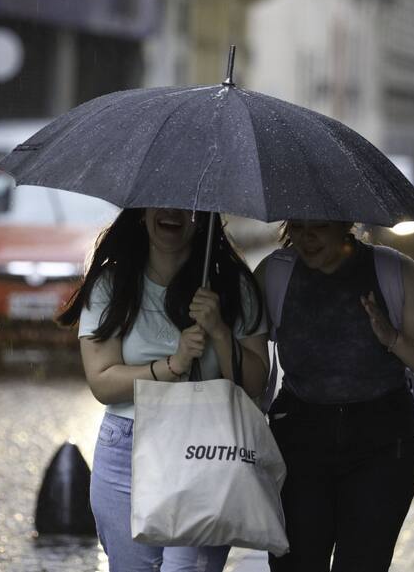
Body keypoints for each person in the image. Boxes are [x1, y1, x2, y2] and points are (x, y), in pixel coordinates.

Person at [57, 207, 269, 572]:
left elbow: (255, 382)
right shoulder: (114, 284)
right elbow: (103, 381)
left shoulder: (234, 286)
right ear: (142, 212)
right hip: (128, 447)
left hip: (207, 449)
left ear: (201, 217)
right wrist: (172, 366)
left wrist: (219, 332)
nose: (172, 211)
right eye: (162, 200)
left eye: (185, 204)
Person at [256, 221, 414, 572]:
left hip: (381, 446)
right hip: (300, 443)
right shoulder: (275, 274)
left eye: (317, 225)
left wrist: (394, 339)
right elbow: (245, 358)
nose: (306, 236)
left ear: (345, 222)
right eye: (298, 225)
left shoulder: (395, 273)